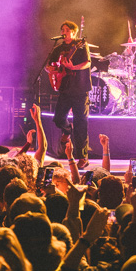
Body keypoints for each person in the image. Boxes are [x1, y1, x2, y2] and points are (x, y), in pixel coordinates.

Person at [47, 21, 92, 167]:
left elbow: (88, 63)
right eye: (62, 30)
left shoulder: (81, 45)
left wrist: (74, 67)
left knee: (81, 123)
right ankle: (67, 129)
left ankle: (82, 158)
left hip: (80, 89)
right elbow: (49, 65)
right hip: (65, 89)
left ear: (73, 32)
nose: (63, 32)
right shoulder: (58, 48)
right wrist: (51, 70)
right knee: (58, 118)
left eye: (66, 30)